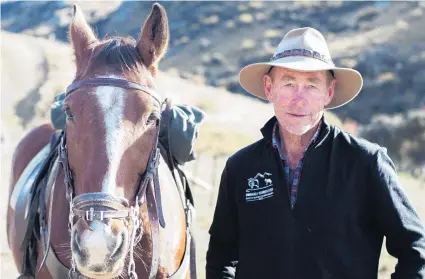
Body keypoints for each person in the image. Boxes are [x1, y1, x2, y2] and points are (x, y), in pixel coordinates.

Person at [206, 27, 425, 279]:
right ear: (269, 88)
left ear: (328, 93)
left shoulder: (366, 163)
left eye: (311, 85)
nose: (299, 100)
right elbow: (221, 257)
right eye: (288, 83)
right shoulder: (240, 168)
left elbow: (415, 250)